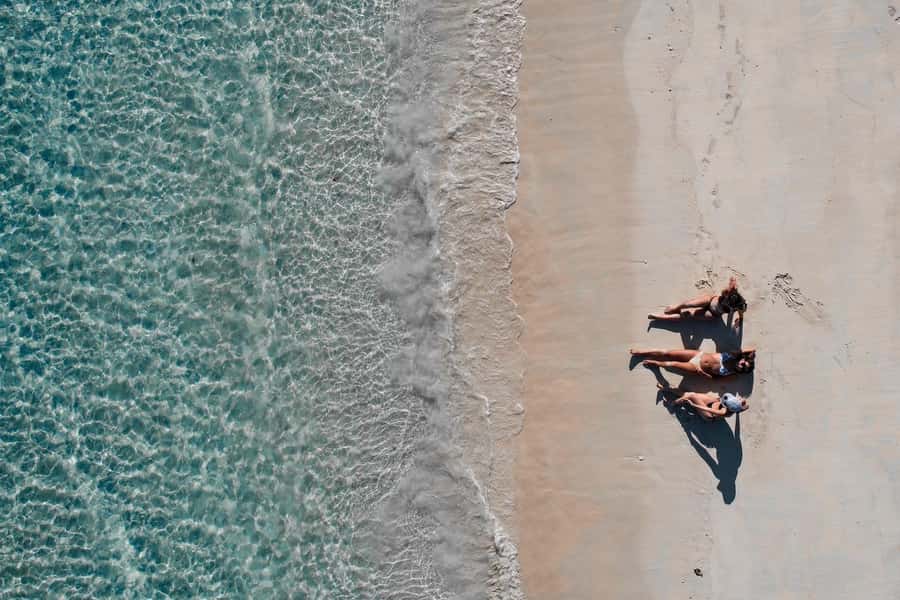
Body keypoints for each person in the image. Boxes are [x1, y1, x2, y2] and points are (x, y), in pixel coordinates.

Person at [648, 276, 747, 328]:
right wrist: (732, 282)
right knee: (689, 304)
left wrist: (740, 319)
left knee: (688, 314)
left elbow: (740, 314)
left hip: (713, 314)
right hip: (711, 300)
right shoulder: (729, 292)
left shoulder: (740, 305)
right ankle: (675, 307)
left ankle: (659, 317)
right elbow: (732, 282)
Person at [630, 347, 755, 378]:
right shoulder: (733, 356)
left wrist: (703, 374)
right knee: (667, 353)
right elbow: (752, 349)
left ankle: (656, 364)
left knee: (672, 364)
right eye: (744, 363)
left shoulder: (731, 374)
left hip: (697, 368)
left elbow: (715, 380)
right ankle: (641, 352)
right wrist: (750, 356)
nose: (742, 364)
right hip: (697, 354)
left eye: (744, 367)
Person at [656, 383, 749, 420]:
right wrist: (741, 405)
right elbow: (745, 406)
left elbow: (704, 408)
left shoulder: (723, 412)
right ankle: (667, 389)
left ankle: (672, 404)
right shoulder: (736, 406)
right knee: (688, 394)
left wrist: (693, 405)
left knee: (691, 395)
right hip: (714, 403)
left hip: (708, 414)